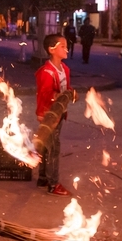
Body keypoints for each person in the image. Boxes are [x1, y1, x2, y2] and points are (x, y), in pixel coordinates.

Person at [36, 33, 75, 196]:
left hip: (59, 113)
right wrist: (59, 96)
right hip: (49, 116)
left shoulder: (64, 69)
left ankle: (43, 178)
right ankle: (53, 184)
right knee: (53, 148)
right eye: (63, 47)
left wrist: (70, 93)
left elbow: (66, 88)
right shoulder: (46, 72)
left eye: (66, 46)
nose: (67, 49)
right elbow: (45, 94)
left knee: (46, 146)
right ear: (51, 50)